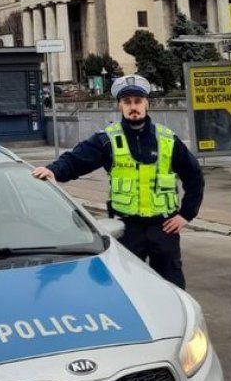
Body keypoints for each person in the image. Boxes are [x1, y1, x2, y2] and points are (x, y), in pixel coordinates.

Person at [32, 75, 204, 289]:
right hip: (126, 229)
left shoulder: (167, 139)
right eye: (128, 102)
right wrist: (52, 170)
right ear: (119, 105)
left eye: (138, 101)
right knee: (127, 288)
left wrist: (185, 215)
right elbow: (76, 160)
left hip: (164, 228)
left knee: (172, 288)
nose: (133, 107)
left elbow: (194, 175)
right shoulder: (108, 140)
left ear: (147, 103)